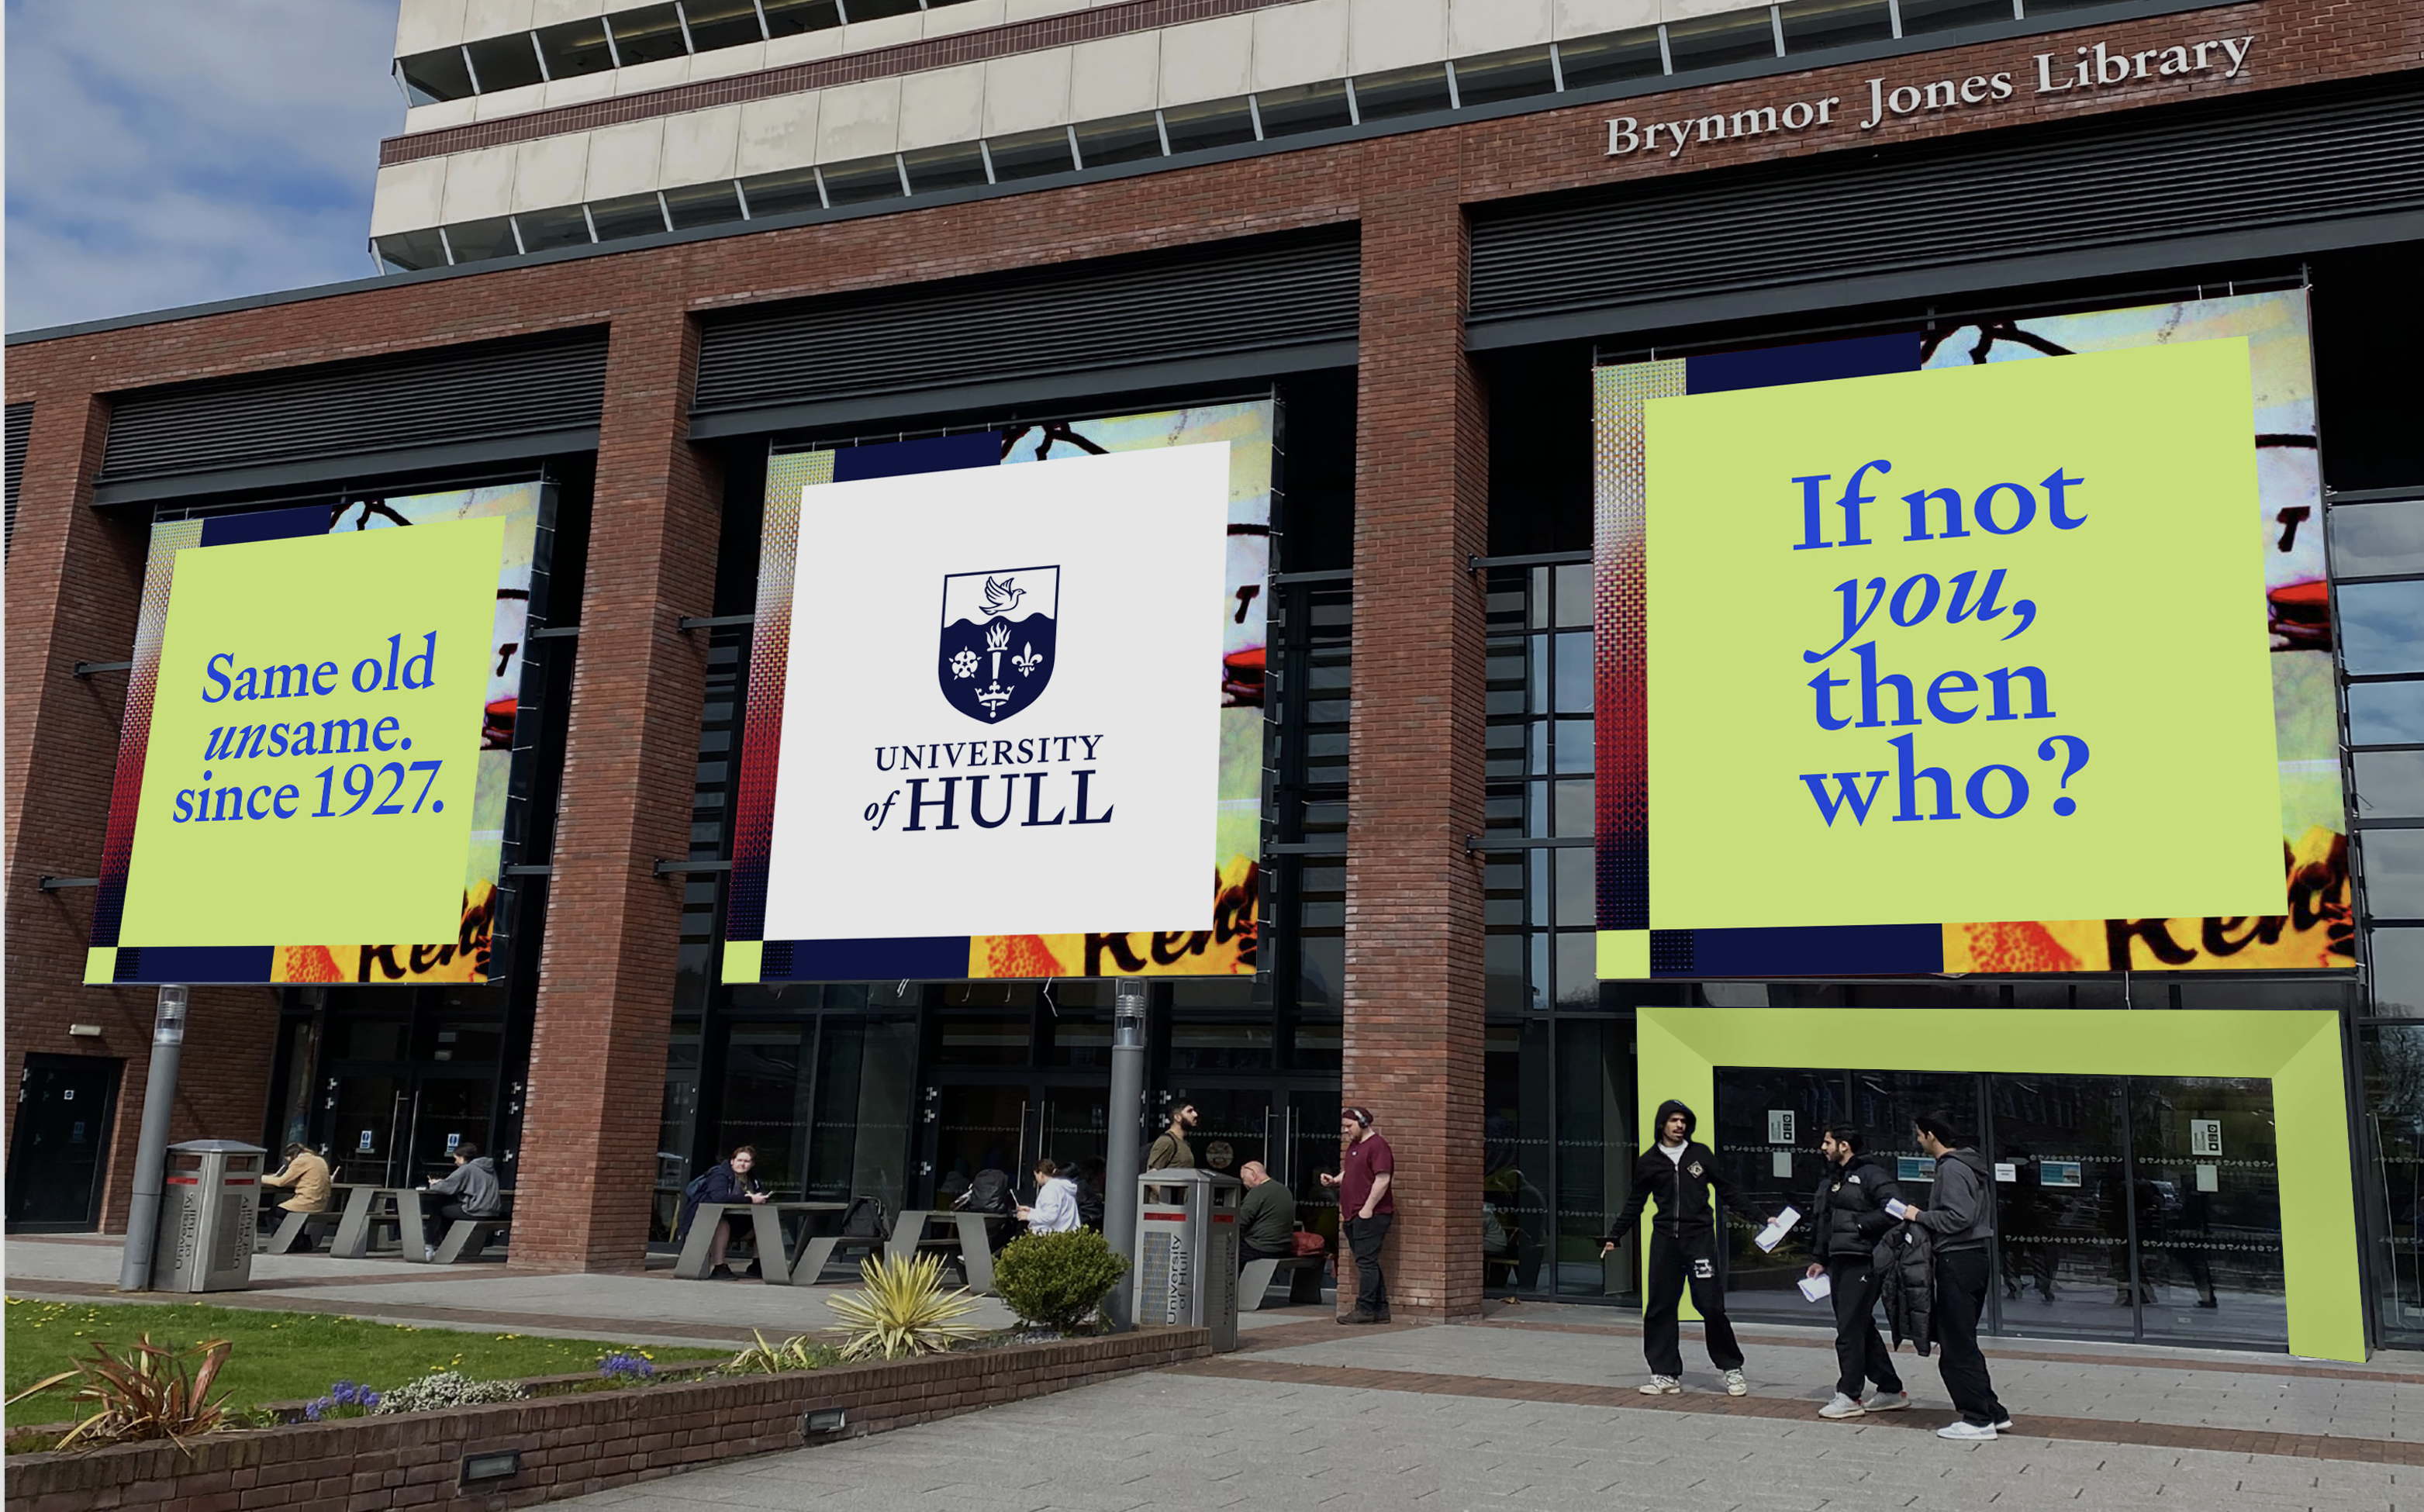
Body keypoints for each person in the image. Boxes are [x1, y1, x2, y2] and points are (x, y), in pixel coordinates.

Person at [1600, 1099, 1765, 1396]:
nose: (1679, 1126)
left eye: (1683, 1121)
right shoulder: (1649, 1161)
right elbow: (1635, 1202)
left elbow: (1728, 1190)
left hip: (1699, 1239)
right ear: (1662, 1124)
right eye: (1674, 1120)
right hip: (1665, 1241)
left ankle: (1731, 1369)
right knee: (1660, 1307)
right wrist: (1615, 1235)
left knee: (1711, 1305)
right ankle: (1664, 1374)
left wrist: (1761, 1218)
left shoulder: (1700, 1154)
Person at [1903, 1113, 2012, 1441]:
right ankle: (1993, 1412)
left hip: (1958, 1258)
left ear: (1932, 1136)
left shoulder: (1951, 1169)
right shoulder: (1968, 1166)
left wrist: (1918, 1215)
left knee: (1954, 1344)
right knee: (1963, 1339)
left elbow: (1958, 1217)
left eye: (1919, 1135)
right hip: (1973, 1258)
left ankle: (1977, 1419)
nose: (1918, 1140)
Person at [1804, 1124, 1910, 1419]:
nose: (1822, 1148)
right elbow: (1827, 1221)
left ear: (1844, 1145)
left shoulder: (1870, 1174)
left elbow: (1897, 1207)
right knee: (1860, 1325)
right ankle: (1890, 1389)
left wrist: (1862, 1226)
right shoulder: (1833, 1178)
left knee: (1849, 1329)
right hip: (1841, 1261)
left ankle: (1850, 1395)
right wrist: (1820, 1258)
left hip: (1864, 1260)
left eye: (1827, 1142)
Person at [1318, 1106, 1393, 1324]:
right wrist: (1335, 1180)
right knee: (1368, 1261)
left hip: (1371, 1215)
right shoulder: (1354, 1147)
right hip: (1354, 1213)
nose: (1346, 1131)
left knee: (1366, 1262)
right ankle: (1379, 1309)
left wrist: (1367, 1209)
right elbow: (1351, 1172)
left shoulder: (1378, 1146)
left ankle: (1366, 1309)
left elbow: (1383, 1179)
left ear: (1363, 1123)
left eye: (1349, 1126)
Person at [692, 1145, 770, 1279]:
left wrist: (761, 1197)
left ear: (752, 1164)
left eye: (747, 1161)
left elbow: (759, 1191)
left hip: (738, 1220)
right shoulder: (720, 1175)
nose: (742, 1164)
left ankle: (757, 1265)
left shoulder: (752, 1178)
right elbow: (719, 1197)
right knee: (722, 1224)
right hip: (707, 1221)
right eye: (739, 1160)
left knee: (764, 1223)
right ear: (732, 1161)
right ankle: (719, 1267)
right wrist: (750, 1199)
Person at [422, 1141, 504, 1262]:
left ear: (463, 1157)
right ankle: (444, 1246)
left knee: (439, 1210)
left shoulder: (467, 1169)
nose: (455, 1162)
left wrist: (435, 1184)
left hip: (475, 1210)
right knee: (449, 1211)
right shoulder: (488, 1169)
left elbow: (447, 1186)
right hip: (492, 1212)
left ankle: (429, 1246)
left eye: (456, 1158)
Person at [258, 1142, 332, 1231]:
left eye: (288, 1161)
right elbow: (307, 1181)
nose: (289, 1163)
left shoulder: (300, 1161)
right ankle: (299, 1241)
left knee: (272, 1214)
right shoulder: (319, 1160)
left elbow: (281, 1182)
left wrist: (261, 1178)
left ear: (291, 1156)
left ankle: (284, 1241)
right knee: (295, 1220)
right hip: (320, 1204)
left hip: (306, 1203)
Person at [1237, 1160, 1296, 1267]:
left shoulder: (1258, 1192)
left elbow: (1240, 1221)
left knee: (1222, 1254)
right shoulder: (1284, 1190)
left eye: (1244, 1179)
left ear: (1253, 1175)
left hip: (1259, 1248)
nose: (1244, 1183)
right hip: (1282, 1247)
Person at [1016, 1158, 1083, 1234]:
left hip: (1053, 1236)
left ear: (1041, 1174)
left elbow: (1050, 1216)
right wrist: (1032, 1211)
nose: (1036, 1179)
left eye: (1036, 1175)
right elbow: (1058, 1212)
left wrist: (1028, 1216)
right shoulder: (1064, 1186)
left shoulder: (1049, 1189)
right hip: (1067, 1234)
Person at [1148, 1103, 1200, 1171]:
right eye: (1189, 1111)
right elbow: (1151, 1176)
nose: (1195, 1115)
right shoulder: (1166, 1142)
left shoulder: (1184, 1143)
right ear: (1177, 1117)